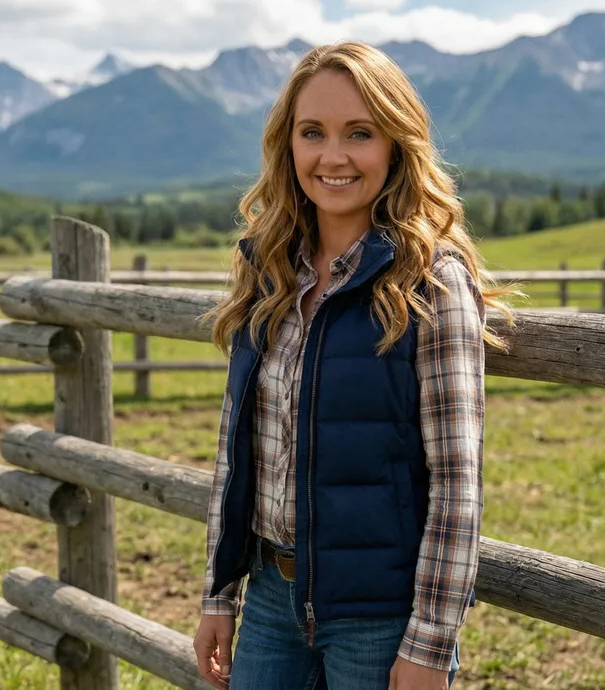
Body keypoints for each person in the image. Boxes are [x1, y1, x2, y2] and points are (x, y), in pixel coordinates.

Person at [193, 40, 516, 690]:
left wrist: (430, 643)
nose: (332, 156)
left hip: (381, 617)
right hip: (270, 600)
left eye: (359, 133)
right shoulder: (271, 274)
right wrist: (218, 595)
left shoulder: (430, 282)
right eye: (312, 133)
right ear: (288, 145)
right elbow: (237, 457)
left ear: (396, 145)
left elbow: (457, 484)